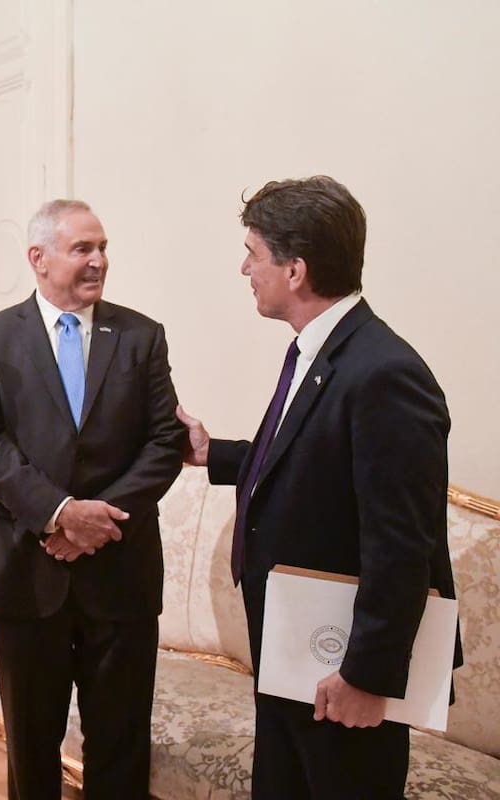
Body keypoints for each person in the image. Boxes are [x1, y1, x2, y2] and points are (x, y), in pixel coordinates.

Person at [176, 175, 461, 799]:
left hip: (340, 671)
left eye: (253, 252)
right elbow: (315, 464)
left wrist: (367, 675)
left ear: (295, 269)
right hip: (292, 656)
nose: (244, 267)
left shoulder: (385, 372)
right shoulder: (325, 351)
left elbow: (402, 541)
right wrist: (212, 453)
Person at [0, 199, 185, 798]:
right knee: (31, 747)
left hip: (121, 571)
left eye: (103, 247)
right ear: (39, 258)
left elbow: (167, 441)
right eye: (82, 248)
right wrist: (60, 515)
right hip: (27, 570)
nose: (98, 261)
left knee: (121, 739)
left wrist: (98, 519)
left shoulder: (141, 336)